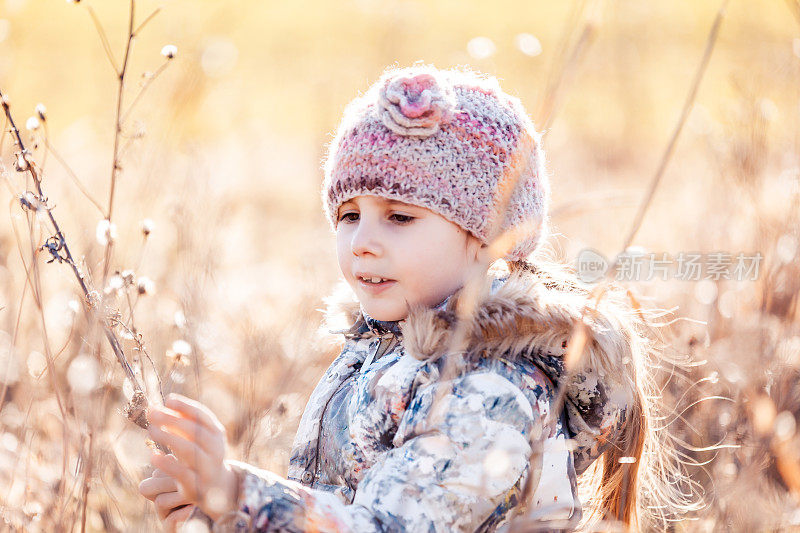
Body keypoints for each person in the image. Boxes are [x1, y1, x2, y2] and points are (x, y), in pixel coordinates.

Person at [139, 64, 687, 532]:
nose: (363, 243)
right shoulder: (387, 348)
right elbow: (358, 502)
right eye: (349, 215)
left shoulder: (490, 393)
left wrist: (238, 492)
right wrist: (225, 506)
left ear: (492, 238)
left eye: (400, 216)